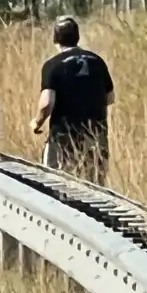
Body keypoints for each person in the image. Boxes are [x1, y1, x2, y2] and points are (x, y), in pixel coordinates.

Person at [30, 16, 114, 185]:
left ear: (55, 38)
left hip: (64, 137)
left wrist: (36, 123)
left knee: (56, 184)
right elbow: (110, 98)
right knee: (96, 186)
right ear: (77, 37)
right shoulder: (97, 61)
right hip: (96, 135)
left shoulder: (53, 65)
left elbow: (47, 103)